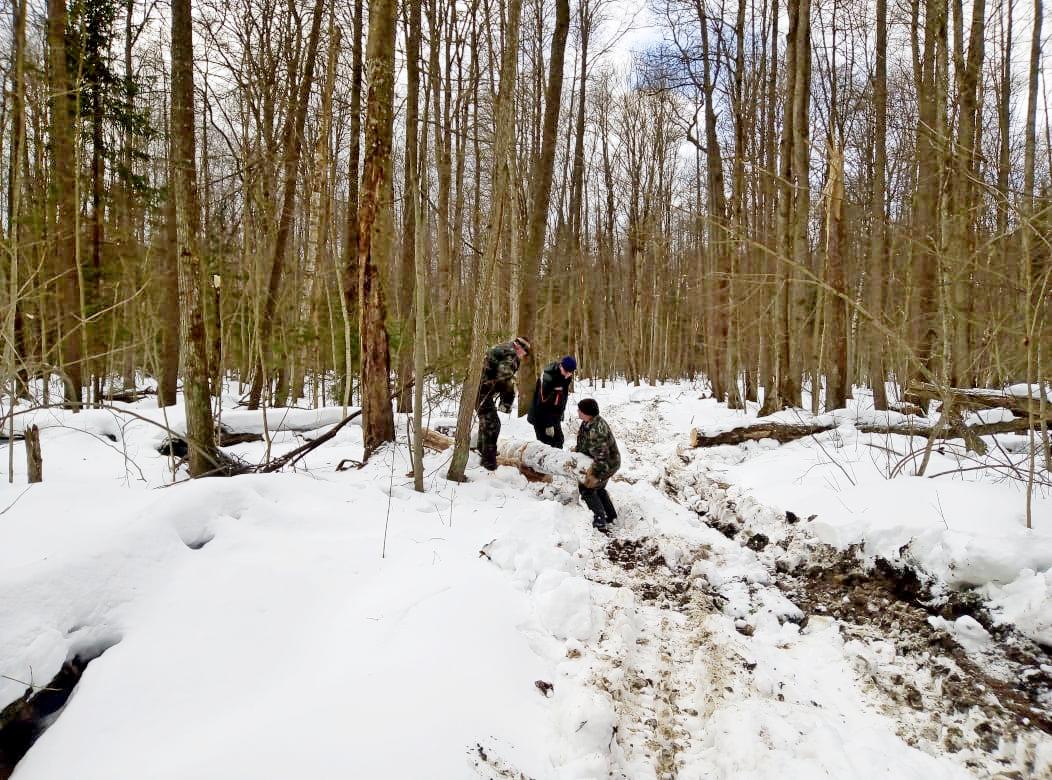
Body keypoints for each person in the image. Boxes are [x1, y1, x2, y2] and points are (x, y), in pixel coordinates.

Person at [476, 336, 531, 471]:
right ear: (520, 348)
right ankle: (488, 462)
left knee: (486, 420)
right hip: (482, 391)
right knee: (493, 424)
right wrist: (507, 401)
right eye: (525, 352)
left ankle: (482, 450)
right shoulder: (510, 354)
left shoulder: (503, 348)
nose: (525, 356)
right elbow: (504, 379)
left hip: (478, 388)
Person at [573, 398, 621, 532]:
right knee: (598, 488)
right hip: (601, 460)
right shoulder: (587, 423)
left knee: (587, 488)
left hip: (608, 463)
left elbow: (602, 456)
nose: (578, 412)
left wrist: (594, 475)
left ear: (587, 413)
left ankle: (599, 520)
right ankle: (610, 516)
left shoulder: (597, 430)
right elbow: (583, 442)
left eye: (580, 410)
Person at [527, 355, 576, 448]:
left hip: (554, 415)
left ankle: (557, 462)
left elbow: (563, 397)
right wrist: (548, 424)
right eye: (566, 371)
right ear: (561, 366)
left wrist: (561, 412)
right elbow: (542, 403)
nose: (568, 375)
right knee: (546, 444)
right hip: (540, 416)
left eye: (570, 373)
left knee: (559, 440)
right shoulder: (548, 378)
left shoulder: (566, 377)